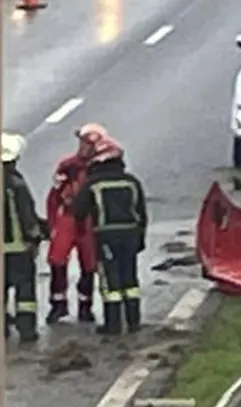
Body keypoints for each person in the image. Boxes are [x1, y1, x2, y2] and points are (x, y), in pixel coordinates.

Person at [72, 136, 147, 337]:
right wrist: (140, 239)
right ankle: (134, 321)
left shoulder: (93, 183)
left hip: (106, 237)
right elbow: (142, 213)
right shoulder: (132, 182)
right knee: (130, 279)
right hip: (131, 235)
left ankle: (113, 325)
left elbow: (78, 211)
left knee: (110, 281)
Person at [45, 123, 106, 324]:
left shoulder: (101, 168)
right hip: (68, 217)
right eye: (82, 142)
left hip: (89, 220)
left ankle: (85, 306)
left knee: (89, 263)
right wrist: (53, 222)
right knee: (57, 259)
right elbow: (54, 196)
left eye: (88, 143)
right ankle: (58, 304)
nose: (84, 147)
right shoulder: (67, 165)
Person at [3, 133, 45, 344]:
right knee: (25, 293)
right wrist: (37, 235)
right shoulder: (16, 184)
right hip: (18, 249)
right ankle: (27, 330)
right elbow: (26, 216)